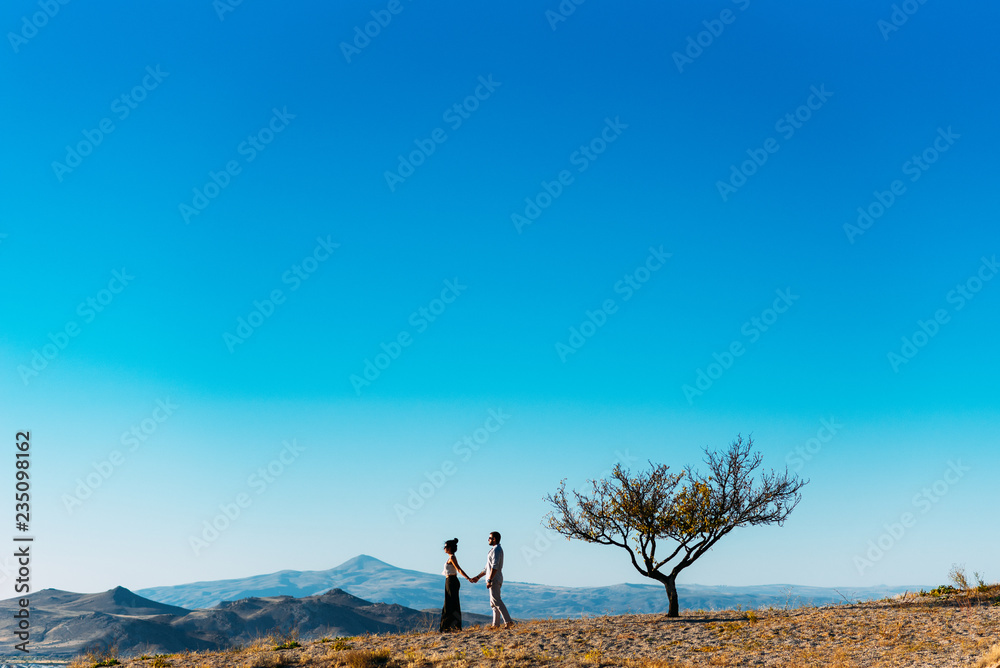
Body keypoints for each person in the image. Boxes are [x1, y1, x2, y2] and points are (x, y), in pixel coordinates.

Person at [471, 531, 513, 628]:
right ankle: (495, 624)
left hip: (494, 578)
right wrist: (478, 577)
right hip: (493, 578)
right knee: (493, 603)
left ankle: (508, 622)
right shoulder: (493, 550)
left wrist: (490, 579)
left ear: (494, 539)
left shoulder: (496, 550)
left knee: (497, 601)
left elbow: (495, 566)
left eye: (490, 538)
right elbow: (487, 568)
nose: (488, 540)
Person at [440, 538, 472, 632]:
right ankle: (450, 626)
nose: (444, 548)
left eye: (446, 547)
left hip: (451, 580)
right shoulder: (450, 557)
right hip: (449, 581)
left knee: (451, 604)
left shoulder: (452, 558)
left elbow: (459, 569)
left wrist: (467, 578)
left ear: (450, 548)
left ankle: (451, 626)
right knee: (450, 603)